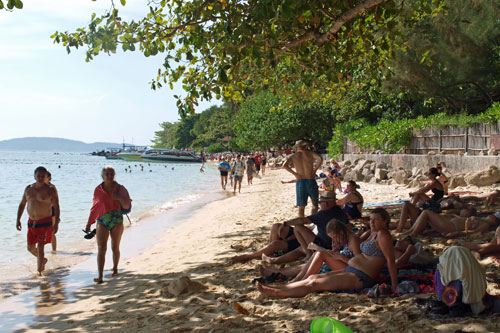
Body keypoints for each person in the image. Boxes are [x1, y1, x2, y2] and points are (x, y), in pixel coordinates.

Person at [257, 208, 398, 297]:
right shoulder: (372, 233)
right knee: (312, 278)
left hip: (360, 277)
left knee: (314, 284)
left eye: (376, 220)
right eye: (371, 220)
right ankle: (284, 287)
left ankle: (278, 292)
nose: (372, 222)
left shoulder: (383, 235)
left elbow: (391, 261)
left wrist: (395, 287)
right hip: (352, 269)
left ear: (385, 221)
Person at [86, 166, 131, 284]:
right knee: (101, 248)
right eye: (107, 174)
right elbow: (95, 207)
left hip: (116, 220)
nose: (109, 176)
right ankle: (100, 276)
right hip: (102, 220)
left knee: (115, 247)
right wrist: (89, 223)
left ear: (114, 175)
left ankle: (115, 269)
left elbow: (126, 206)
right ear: (102, 176)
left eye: (111, 174)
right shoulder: (98, 189)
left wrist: (119, 198)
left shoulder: (120, 189)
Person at [16, 166, 60, 275]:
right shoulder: (28, 189)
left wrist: (56, 223)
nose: (40, 178)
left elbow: (56, 206)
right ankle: (43, 260)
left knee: (41, 246)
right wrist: (18, 219)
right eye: (38, 175)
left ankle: (39, 273)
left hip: (45, 222)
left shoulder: (50, 190)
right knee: (30, 248)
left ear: (46, 177)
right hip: (31, 223)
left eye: (43, 176)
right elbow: (22, 204)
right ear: (35, 176)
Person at [282, 191, 348, 258]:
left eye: (320, 202)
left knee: (298, 228)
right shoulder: (341, 211)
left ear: (326, 203)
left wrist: (286, 223)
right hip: (339, 244)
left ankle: (309, 254)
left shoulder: (323, 213)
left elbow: (302, 220)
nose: (319, 205)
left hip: (325, 245)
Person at [395, 167, 445, 232]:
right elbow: (422, 189)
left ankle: (411, 207)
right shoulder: (432, 182)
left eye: (429, 174)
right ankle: (411, 207)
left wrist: (413, 193)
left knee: (418, 194)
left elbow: (424, 190)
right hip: (432, 203)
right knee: (417, 194)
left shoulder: (435, 182)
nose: (428, 175)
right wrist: (414, 193)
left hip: (434, 205)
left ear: (433, 175)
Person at [283, 140, 323, 217]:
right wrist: (314, 170)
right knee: (315, 204)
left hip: (300, 181)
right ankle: (313, 221)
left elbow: (284, 165)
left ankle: (301, 224)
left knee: (301, 207)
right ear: (305, 146)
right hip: (310, 179)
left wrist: (295, 174)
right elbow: (320, 159)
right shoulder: (310, 154)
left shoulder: (294, 156)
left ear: (297, 147)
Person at [401, 206, 488, 238]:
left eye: (465, 209)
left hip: (450, 226)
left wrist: (457, 233)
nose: (463, 210)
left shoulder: (482, 222)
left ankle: (412, 233)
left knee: (426, 212)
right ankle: (411, 232)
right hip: (446, 225)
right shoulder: (457, 215)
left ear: (468, 212)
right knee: (426, 213)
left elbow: (475, 232)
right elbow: (443, 212)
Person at [45, 171, 59, 252]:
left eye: (46, 176)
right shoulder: (39, 187)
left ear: (49, 178)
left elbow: (56, 203)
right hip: (42, 211)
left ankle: (54, 250)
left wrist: (57, 216)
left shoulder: (52, 187)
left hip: (52, 210)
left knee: (52, 231)